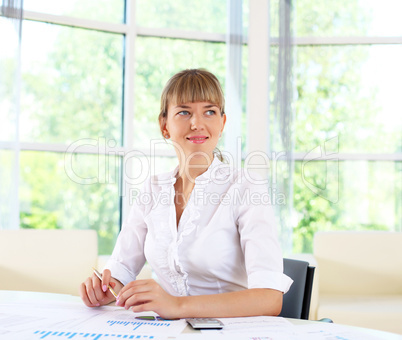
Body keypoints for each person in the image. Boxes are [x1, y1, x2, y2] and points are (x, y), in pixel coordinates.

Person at [79, 68, 292, 319]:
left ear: (222, 123)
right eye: (184, 112)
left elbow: (269, 299)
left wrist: (176, 306)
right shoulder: (152, 189)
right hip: (169, 333)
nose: (197, 123)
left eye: (210, 112)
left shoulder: (245, 187)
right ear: (164, 125)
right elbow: (120, 271)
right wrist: (106, 289)